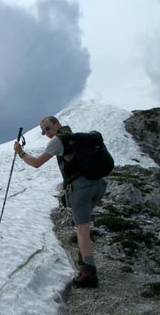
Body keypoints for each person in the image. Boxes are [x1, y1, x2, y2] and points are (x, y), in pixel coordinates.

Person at [13, 115, 107, 288]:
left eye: (48, 128)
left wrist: (20, 152)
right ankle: (83, 255)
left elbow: (36, 163)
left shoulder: (58, 141)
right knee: (83, 225)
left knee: (82, 227)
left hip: (80, 187)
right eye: (43, 131)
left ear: (57, 124)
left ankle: (89, 272)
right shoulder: (76, 137)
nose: (46, 133)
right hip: (99, 184)